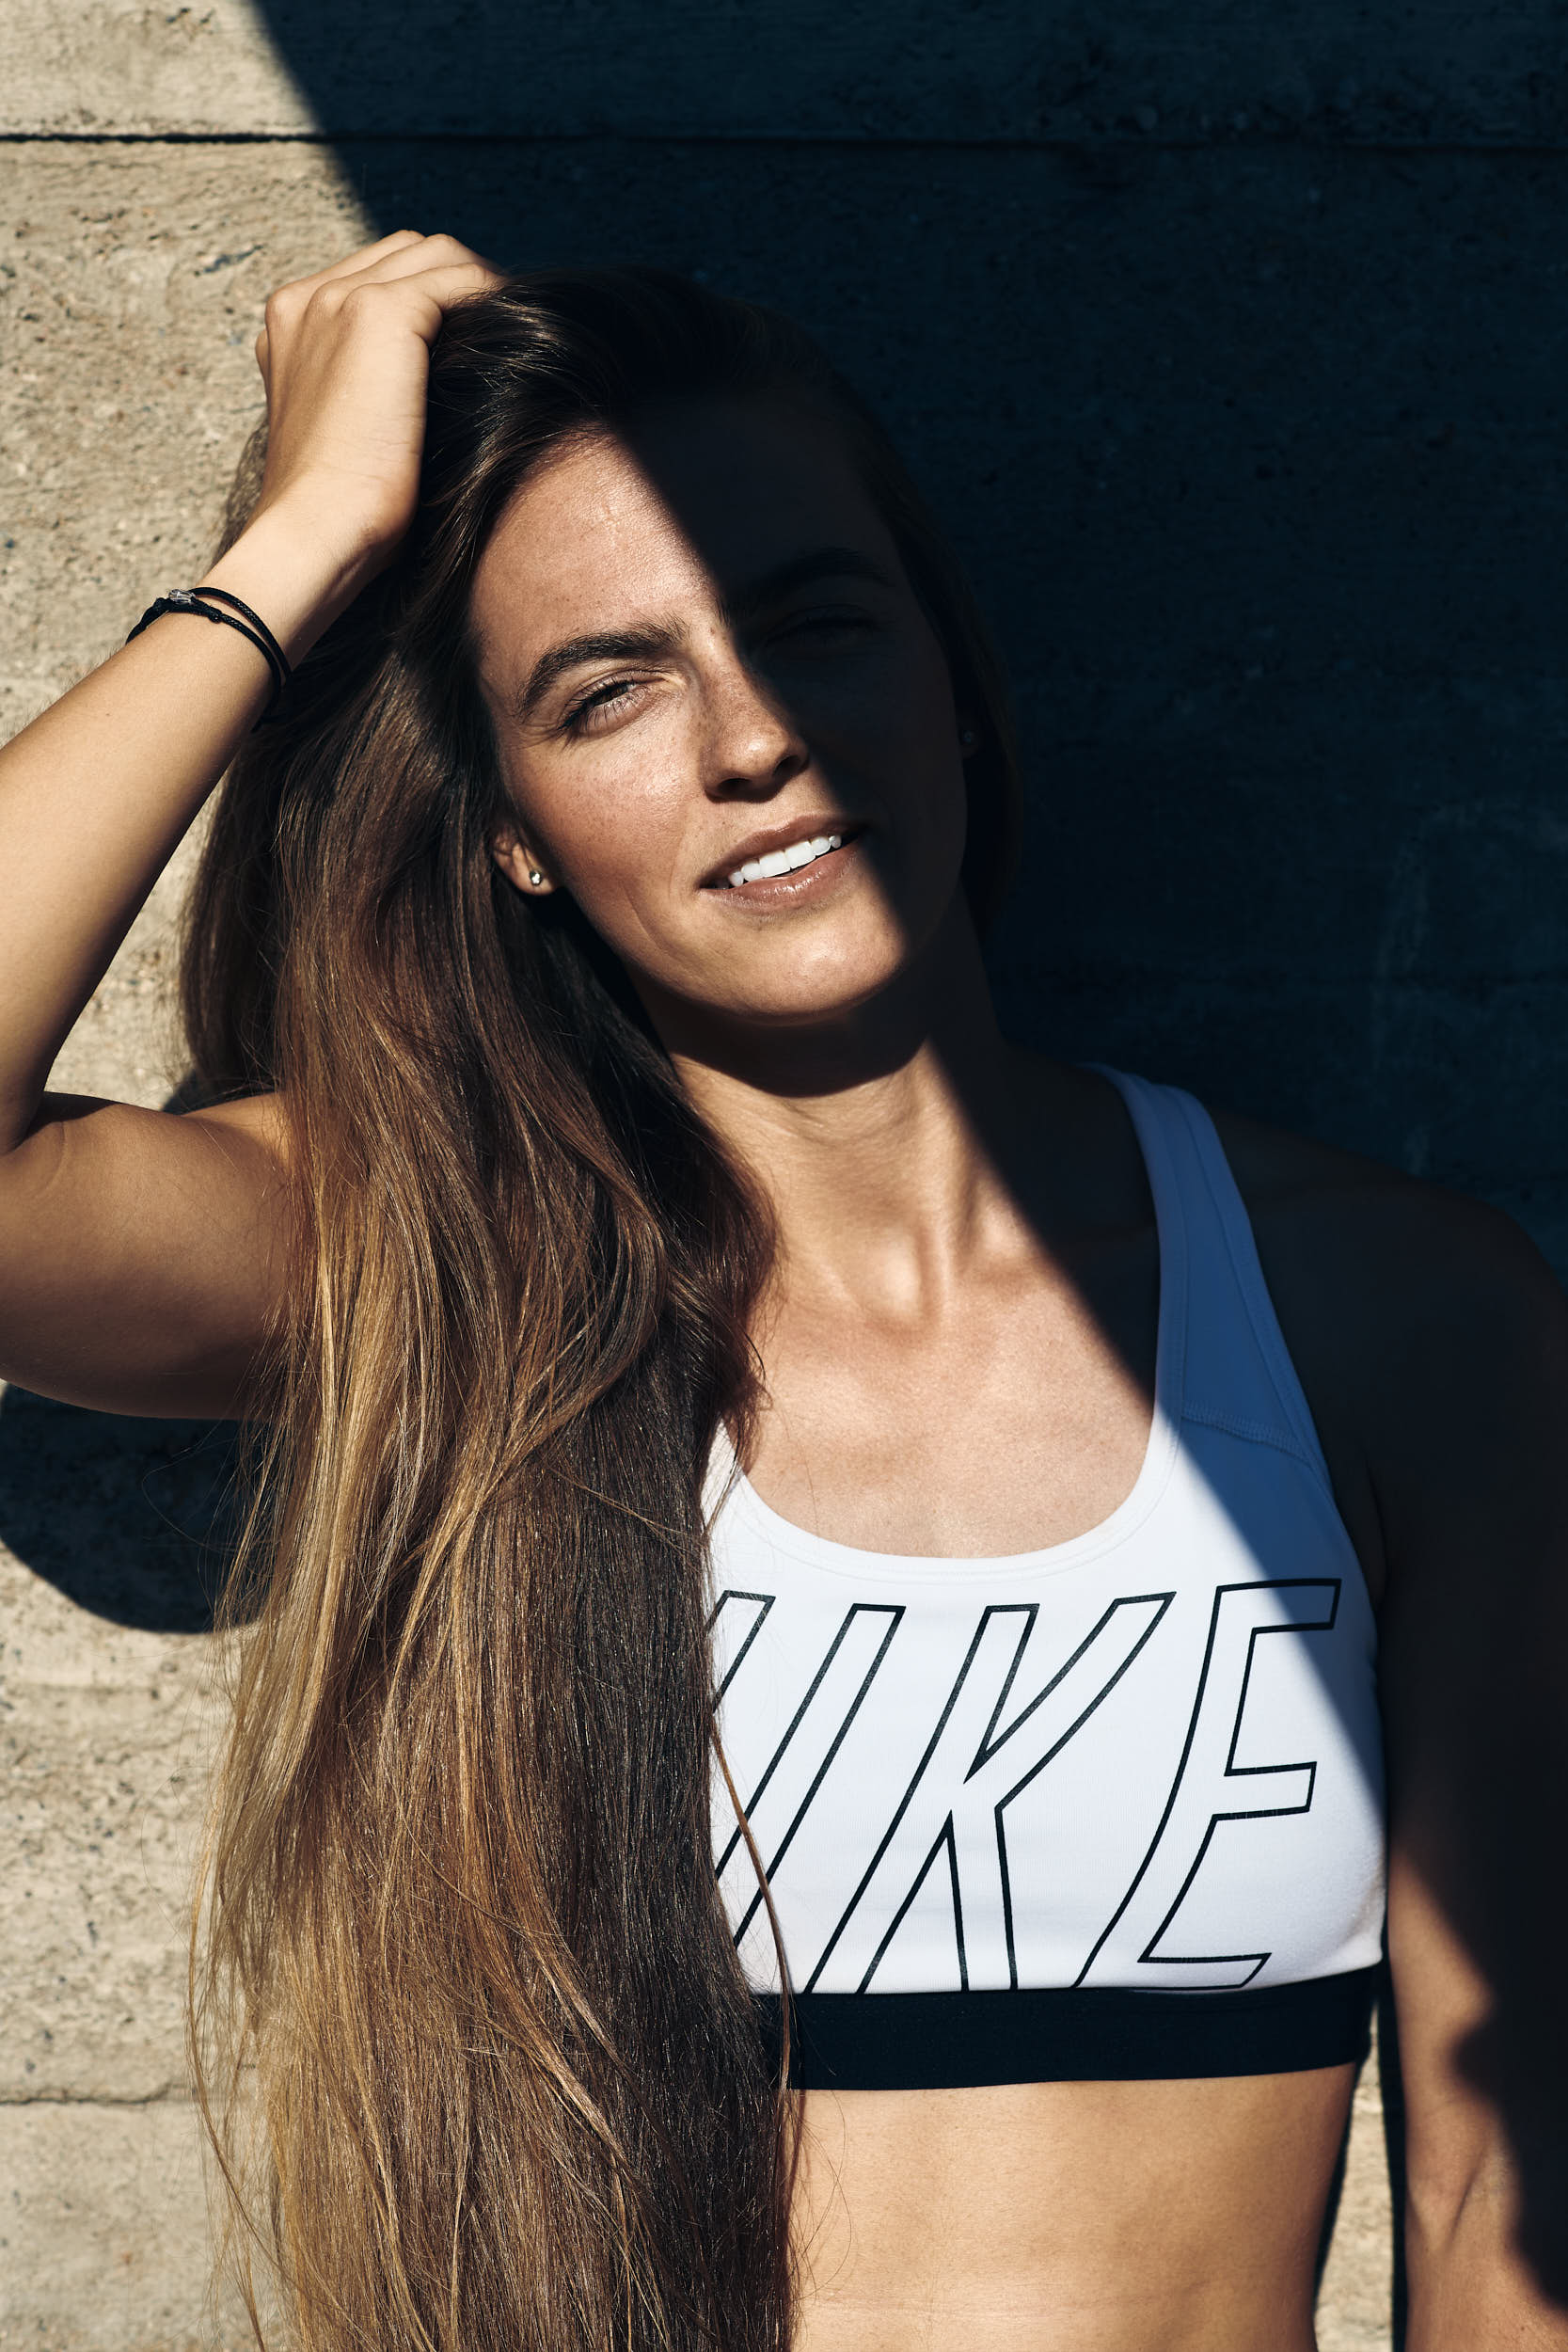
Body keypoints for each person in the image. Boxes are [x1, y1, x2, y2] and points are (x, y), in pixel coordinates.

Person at [0, 230, 1564, 2352]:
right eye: (605, 689)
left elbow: (1498, 2192)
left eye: (810, 622)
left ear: (949, 676)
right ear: (515, 829)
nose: (748, 735)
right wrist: (295, 553)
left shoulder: (1398, 1315)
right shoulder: (443, 1275)